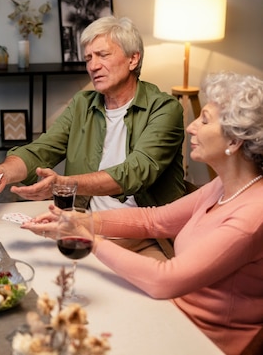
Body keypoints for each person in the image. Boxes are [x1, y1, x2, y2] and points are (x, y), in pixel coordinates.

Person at [22, 72, 263, 355]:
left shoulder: (252, 215)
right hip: (170, 313)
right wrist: (81, 220)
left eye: (205, 120)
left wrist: (91, 240)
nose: (191, 127)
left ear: (234, 141)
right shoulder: (224, 185)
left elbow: (164, 279)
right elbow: (155, 220)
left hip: (202, 341)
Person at [0, 16, 185, 259]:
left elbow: (135, 172)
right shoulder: (82, 103)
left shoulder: (165, 109)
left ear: (133, 59)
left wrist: (64, 184)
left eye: (103, 55)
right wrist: (3, 172)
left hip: (145, 237)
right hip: (84, 227)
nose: (93, 66)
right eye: (88, 58)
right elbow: (42, 150)